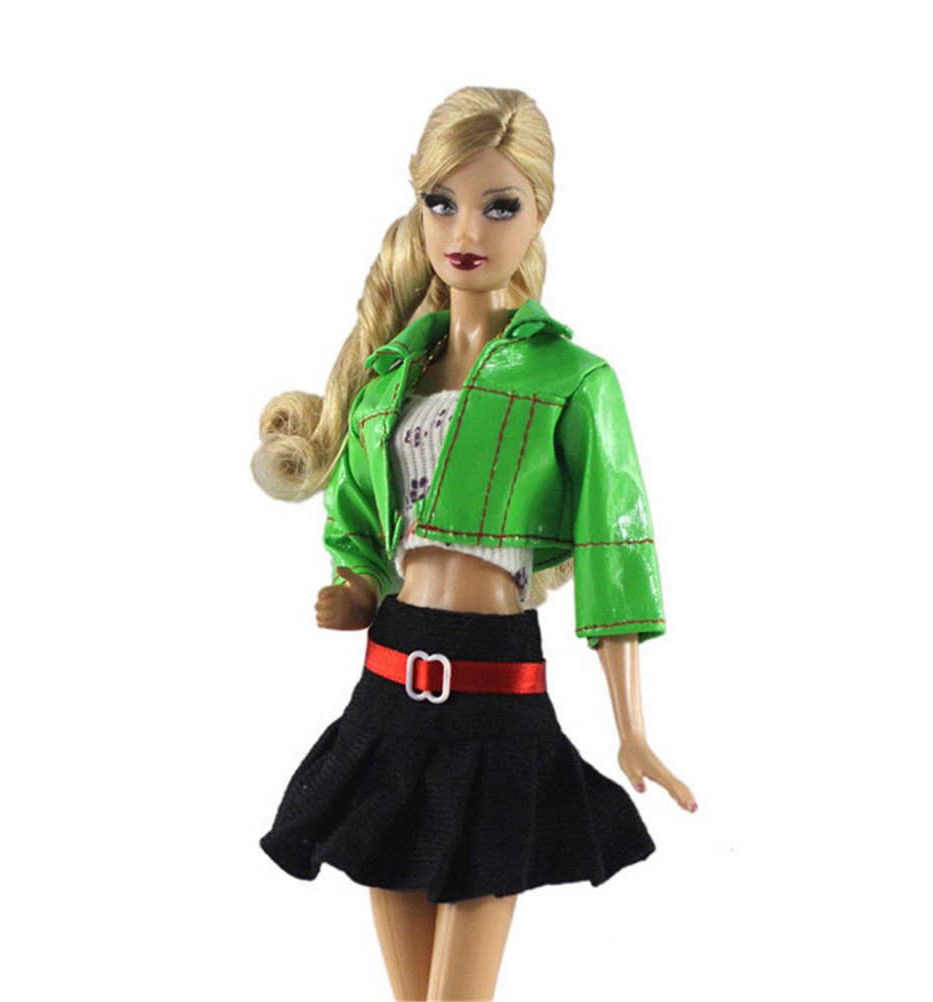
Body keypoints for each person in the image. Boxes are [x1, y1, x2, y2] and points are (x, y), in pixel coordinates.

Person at [251, 86, 696, 1002]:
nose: (466, 230)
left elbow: (614, 546)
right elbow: (357, 519)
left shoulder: (575, 380)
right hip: (389, 688)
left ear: (538, 214)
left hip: (497, 694)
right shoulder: (387, 379)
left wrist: (632, 729)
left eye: (500, 205)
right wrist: (354, 587)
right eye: (442, 201)